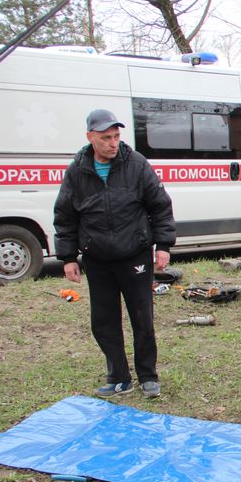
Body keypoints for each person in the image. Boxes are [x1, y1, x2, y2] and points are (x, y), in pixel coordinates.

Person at [54, 109, 176, 399]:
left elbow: (160, 206)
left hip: (134, 255)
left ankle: (148, 376)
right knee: (104, 322)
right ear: (90, 138)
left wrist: (164, 246)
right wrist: (68, 257)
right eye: (106, 138)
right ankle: (119, 378)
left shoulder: (136, 164)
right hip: (97, 260)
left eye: (117, 137)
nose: (113, 143)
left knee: (142, 319)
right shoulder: (77, 171)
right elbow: (65, 215)